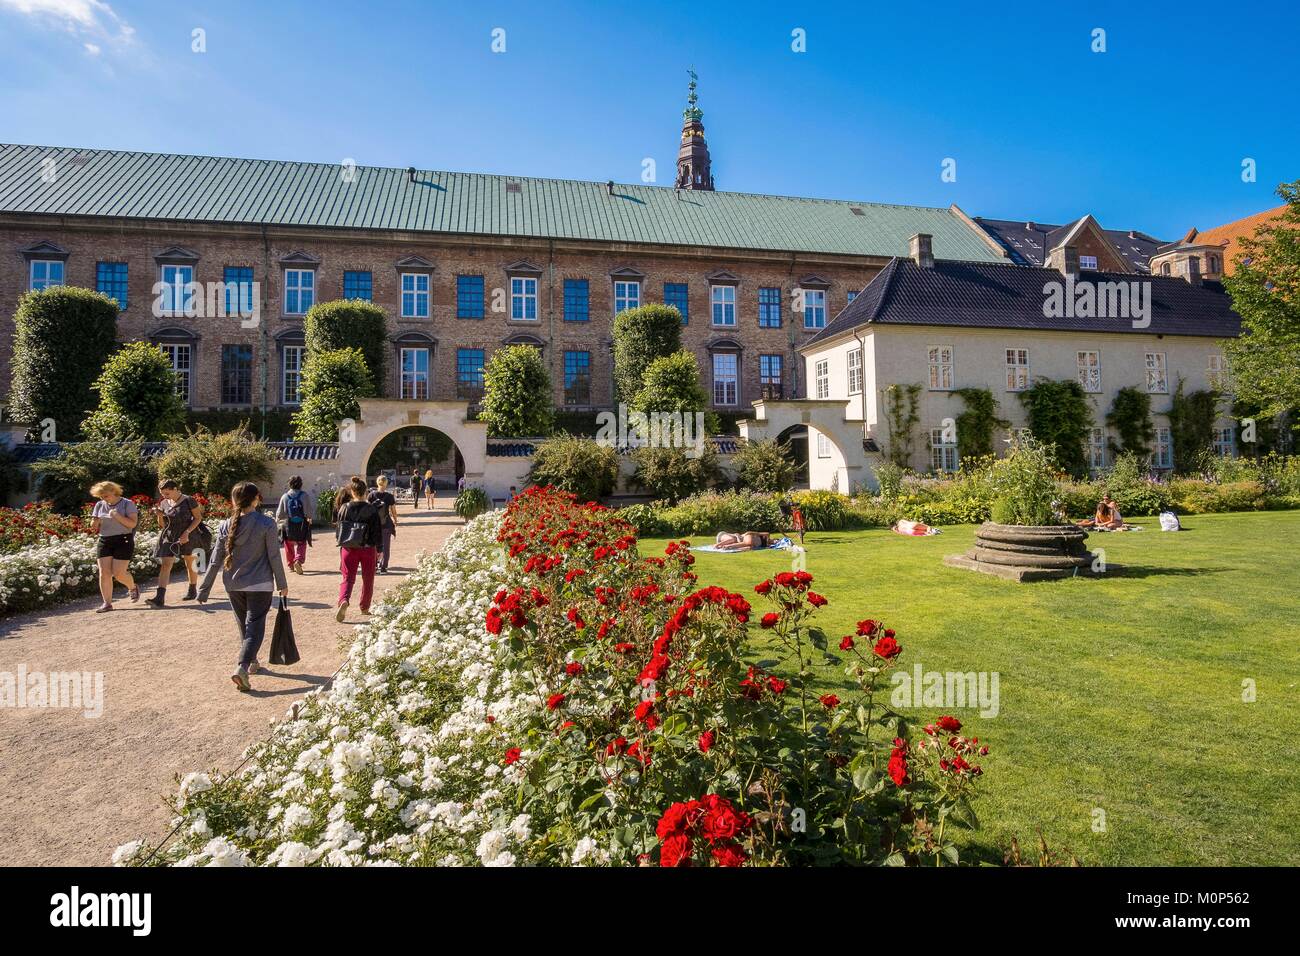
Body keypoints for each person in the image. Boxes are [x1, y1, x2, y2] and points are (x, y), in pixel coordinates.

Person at [197, 481, 289, 692]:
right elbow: (274, 556)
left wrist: (204, 588)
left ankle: (252, 661)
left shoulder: (225, 525)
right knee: (255, 626)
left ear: (234, 500)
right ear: (256, 498)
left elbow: (215, 559)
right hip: (260, 582)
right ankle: (242, 667)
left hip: (233, 583)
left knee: (243, 625)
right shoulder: (266, 523)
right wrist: (282, 584)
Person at [146, 479, 204, 607]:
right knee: (166, 564)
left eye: (167, 493)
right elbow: (162, 525)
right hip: (170, 535)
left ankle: (192, 589)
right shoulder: (164, 503)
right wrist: (160, 515)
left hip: (188, 534)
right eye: (162, 494)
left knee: (190, 563)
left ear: (175, 489)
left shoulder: (189, 500)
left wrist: (187, 532)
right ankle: (159, 597)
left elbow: (198, 518)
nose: (164, 496)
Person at [335, 475, 382, 621]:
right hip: (367, 548)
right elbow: (377, 531)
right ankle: (364, 607)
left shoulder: (344, 507)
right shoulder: (371, 509)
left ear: (352, 492)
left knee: (347, 578)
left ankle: (344, 600)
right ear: (365, 491)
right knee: (368, 579)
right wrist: (379, 549)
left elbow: (339, 529)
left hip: (348, 547)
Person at [89, 481, 140, 613]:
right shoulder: (99, 505)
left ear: (113, 491)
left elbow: (132, 524)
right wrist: (95, 522)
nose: (103, 499)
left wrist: (116, 515)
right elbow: (94, 526)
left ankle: (132, 587)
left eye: (105, 496)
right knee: (104, 573)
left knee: (119, 574)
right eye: (100, 496)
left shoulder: (127, 504)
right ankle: (107, 603)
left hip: (123, 540)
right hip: (104, 539)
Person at [276, 475, 313, 574]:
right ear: (301, 484)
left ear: (289, 484)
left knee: (288, 544)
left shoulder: (285, 496)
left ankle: (291, 565)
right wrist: (309, 518)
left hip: (288, 524)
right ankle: (298, 560)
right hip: (301, 523)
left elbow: (279, 514)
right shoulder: (304, 495)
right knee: (301, 543)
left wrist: (278, 521)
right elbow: (308, 512)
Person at [367, 475, 399, 573]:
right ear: (386, 484)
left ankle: (375, 566)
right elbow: (393, 510)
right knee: (386, 546)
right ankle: (384, 567)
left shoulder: (371, 495)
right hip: (386, 524)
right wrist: (395, 520)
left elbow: (367, 509)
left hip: (374, 525)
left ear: (377, 483)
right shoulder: (389, 496)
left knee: (375, 545)